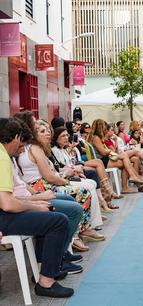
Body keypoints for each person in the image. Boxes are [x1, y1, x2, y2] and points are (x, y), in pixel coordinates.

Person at [0, 118, 74, 298]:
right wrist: (34, 206)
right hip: (3, 215)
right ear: (16, 137)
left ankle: (45, 269)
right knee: (58, 221)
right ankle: (46, 281)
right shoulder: (2, 157)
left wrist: (34, 204)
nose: (21, 149)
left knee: (49, 214)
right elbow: (7, 204)